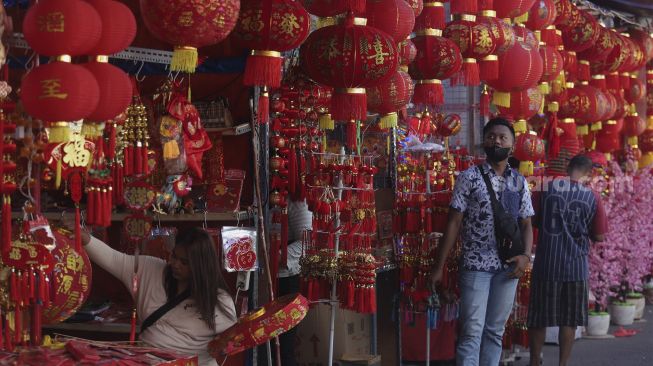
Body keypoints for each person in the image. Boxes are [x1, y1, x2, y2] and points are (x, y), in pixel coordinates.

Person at [428, 117, 534, 366]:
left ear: (512, 144)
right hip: (476, 265)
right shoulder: (469, 177)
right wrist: (438, 267)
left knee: (495, 332)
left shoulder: (519, 182)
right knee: (471, 332)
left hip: (509, 267)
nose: (496, 141)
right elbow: (453, 222)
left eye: (502, 137)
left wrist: (526, 256)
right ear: (483, 142)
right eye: (491, 136)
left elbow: (527, 224)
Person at [72, 224, 236, 366]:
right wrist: (83, 237)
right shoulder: (150, 270)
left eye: (184, 262)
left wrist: (224, 345)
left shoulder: (220, 300)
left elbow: (232, 339)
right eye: (174, 256)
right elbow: (115, 259)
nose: (175, 265)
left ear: (200, 266)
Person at [527, 155, 607, 366]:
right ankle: (563, 363)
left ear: (567, 167)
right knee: (569, 319)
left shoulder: (545, 189)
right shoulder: (593, 197)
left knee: (538, 317)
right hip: (576, 267)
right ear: (589, 174)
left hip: (546, 264)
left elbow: (530, 220)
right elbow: (599, 236)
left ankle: (535, 361)